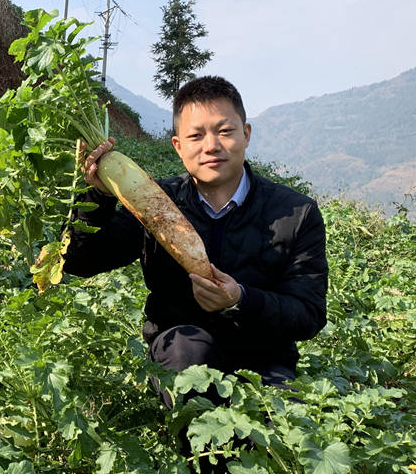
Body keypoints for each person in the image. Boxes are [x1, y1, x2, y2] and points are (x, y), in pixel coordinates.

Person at [64, 76, 328, 406]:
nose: (211, 146)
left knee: (281, 426)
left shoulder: (296, 212)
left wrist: (241, 299)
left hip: (265, 358)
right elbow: (81, 261)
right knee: (189, 356)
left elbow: (309, 313)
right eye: (196, 136)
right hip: (182, 347)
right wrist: (98, 197)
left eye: (224, 131)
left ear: (246, 134)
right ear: (178, 145)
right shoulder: (153, 201)